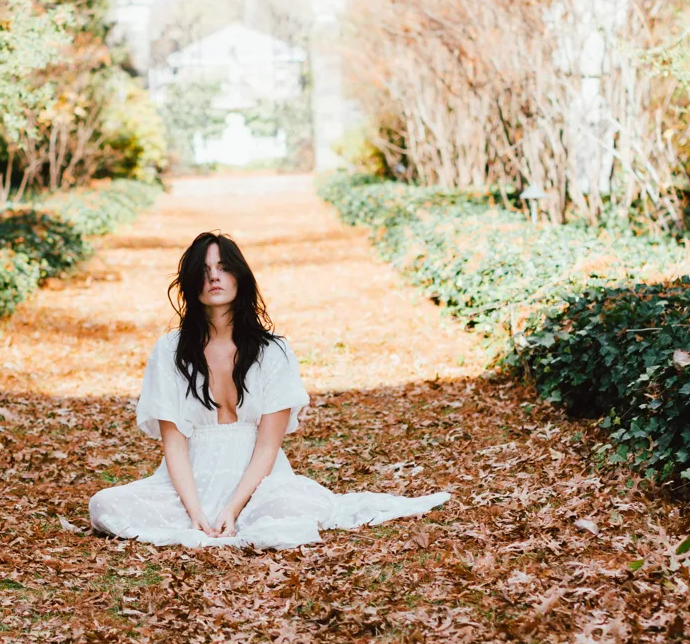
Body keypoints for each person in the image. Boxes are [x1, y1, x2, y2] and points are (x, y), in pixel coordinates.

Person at [88, 231, 451, 549]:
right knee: (104, 505)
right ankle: (201, 523)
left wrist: (232, 507)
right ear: (190, 283)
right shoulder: (169, 350)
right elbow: (174, 444)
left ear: (240, 277)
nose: (214, 277)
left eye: (223, 267)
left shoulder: (273, 351)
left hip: (259, 481)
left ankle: (238, 519)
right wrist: (195, 510)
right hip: (188, 484)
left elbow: (267, 445)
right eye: (204, 270)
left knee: (288, 511)